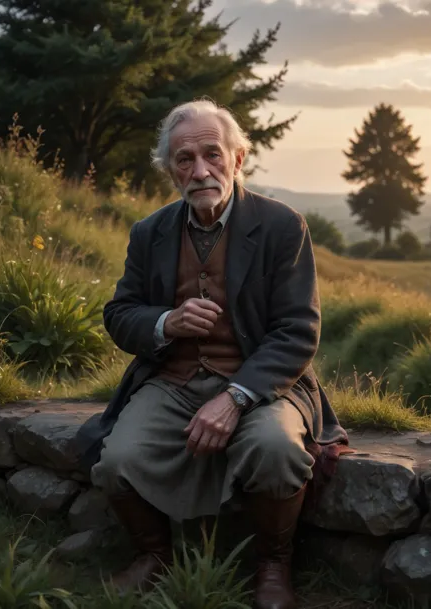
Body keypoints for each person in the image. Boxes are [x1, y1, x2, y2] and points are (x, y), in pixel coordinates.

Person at [76, 99, 348, 609]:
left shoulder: (282, 226)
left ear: (238, 159)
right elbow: (119, 313)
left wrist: (236, 397)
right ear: (170, 170)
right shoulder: (148, 232)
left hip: (264, 385)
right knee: (116, 459)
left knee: (277, 449)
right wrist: (165, 322)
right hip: (172, 380)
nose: (200, 171)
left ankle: (272, 566)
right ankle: (153, 557)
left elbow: (297, 330)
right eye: (184, 159)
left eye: (212, 155)